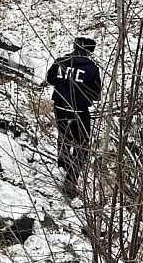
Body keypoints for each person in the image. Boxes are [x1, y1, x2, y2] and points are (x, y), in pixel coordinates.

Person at [46, 37, 102, 199]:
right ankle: (70, 181)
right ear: (90, 52)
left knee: (63, 135)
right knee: (82, 145)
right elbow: (96, 94)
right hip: (79, 110)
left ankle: (62, 165)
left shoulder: (61, 61)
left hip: (60, 106)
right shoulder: (92, 69)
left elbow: (50, 79)